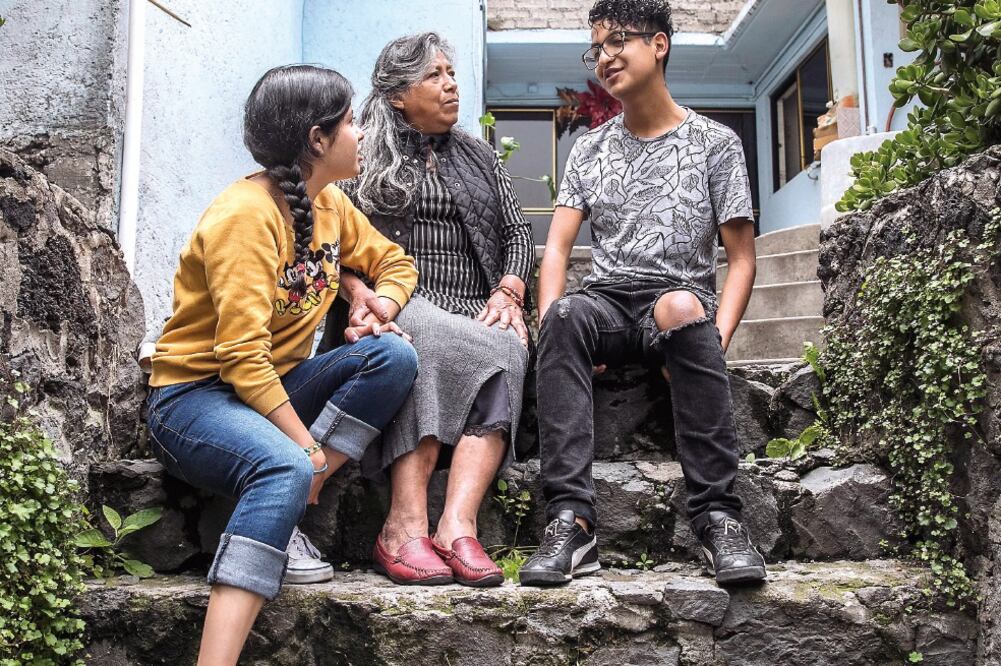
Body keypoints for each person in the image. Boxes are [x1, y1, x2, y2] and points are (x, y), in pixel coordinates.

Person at [146, 65, 418, 664]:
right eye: (352, 122)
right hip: (194, 398)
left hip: (276, 384)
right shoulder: (245, 216)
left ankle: (294, 496)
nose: (364, 133)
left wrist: (376, 303)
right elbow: (241, 359)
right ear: (317, 139)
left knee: (393, 353)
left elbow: (397, 262)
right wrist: (304, 448)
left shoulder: (331, 205)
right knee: (283, 466)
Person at [519, 0, 767, 587]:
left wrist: (715, 340)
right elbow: (555, 250)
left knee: (683, 308)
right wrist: (551, 317)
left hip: (675, 302)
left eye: (617, 42)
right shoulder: (589, 147)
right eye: (596, 48)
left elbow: (742, 260)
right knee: (565, 315)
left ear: (658, 45)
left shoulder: (715, 143)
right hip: (607, 301)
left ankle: (717, 518)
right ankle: (571, 520)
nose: (604, 58)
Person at [320, 32, 534, 587]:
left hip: (475, 301)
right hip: (399, 298)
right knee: (426, 338)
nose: (451, 83)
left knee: (508, 344)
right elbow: (330, 241)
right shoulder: (363, 153)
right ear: (398, 95)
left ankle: (457, 525)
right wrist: (354, 291)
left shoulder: (478, 154)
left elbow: (516, 232)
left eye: (451, 72)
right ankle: (402, 524)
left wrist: (510, 288)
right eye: (434, 75)